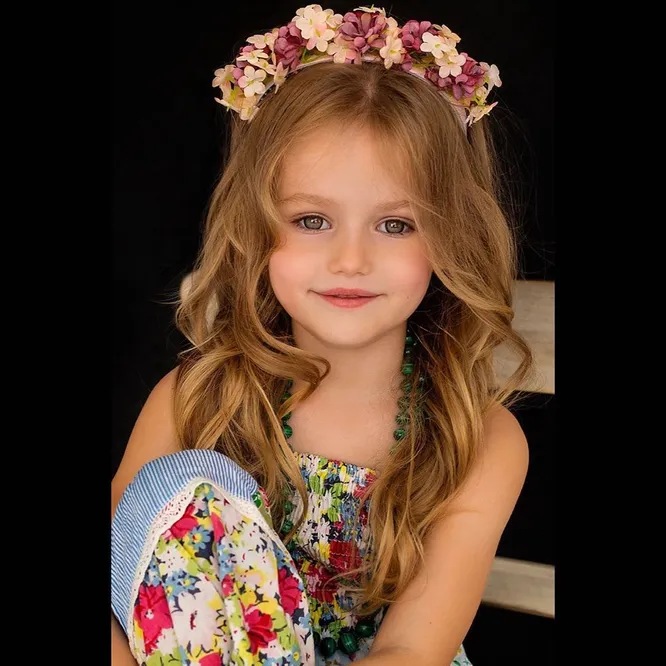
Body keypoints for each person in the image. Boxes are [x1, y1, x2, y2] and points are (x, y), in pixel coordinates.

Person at [111, 4, 534, 665]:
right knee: (183, 488)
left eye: (395, 225)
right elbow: (119, 589)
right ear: (256, 228)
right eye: (312, 220)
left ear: (450, 237)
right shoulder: (196, 398)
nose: (350, 260)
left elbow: (412, 648)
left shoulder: (476, 440)